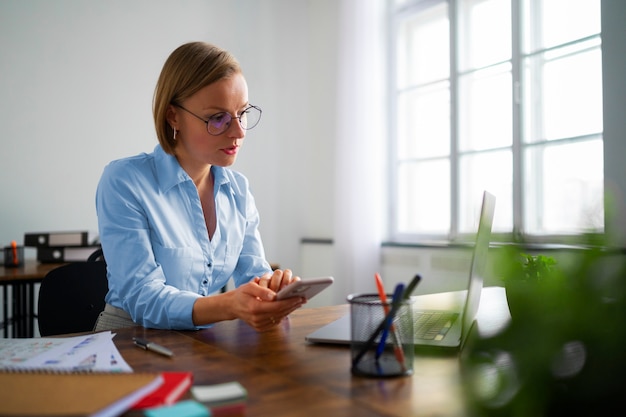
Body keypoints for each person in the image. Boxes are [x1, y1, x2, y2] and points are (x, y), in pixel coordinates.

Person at [93, 41, 305, 332]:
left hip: (203, 342)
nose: (239, 131)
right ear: (173, 116)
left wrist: (272, 291)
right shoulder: (125, 181)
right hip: (129, 341)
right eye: (218, 118)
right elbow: (143, 298)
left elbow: (253, 275)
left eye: (242, 113)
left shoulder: (238, 191)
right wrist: (230, 305)